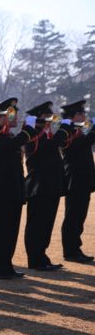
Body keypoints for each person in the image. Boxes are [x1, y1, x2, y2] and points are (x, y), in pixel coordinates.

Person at [0, 98, 31, 279]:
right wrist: (27, 131)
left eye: (15, 113)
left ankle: (7, 264)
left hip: (13, 190)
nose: (14, 117)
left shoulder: (9, 136)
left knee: (11, 231)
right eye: (10, 114)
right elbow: (7, 147)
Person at [22, 101, 67, 271]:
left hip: (51, 186)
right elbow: (48, 147)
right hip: (38, 187)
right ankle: (35, 259)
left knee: (46, 224)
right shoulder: (31, 135)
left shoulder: (46, 134)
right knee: (36, 225)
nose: (50, 120)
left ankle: (42, 255)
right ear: (37, 118)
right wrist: (62, 131)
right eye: (46, 117)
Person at [59, 100, 95, 263]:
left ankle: (75, 248)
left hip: (83, 181)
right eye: (80, 114)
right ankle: (70, 251)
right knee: (73, 217)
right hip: (75, 180)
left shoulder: (78, 131)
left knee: (79, 217)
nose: (83, 116)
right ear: (71, 117)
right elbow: (85, 144)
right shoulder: (68, 132)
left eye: (83, 113)